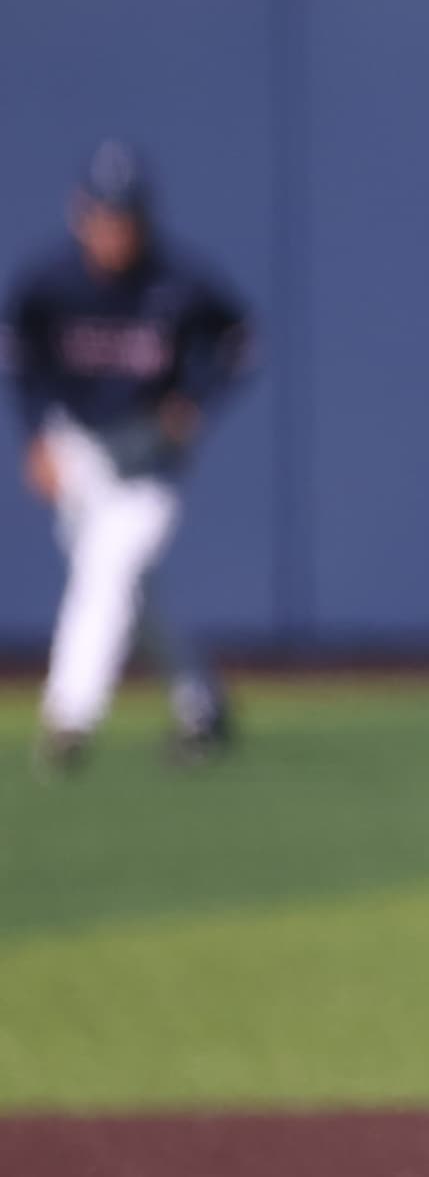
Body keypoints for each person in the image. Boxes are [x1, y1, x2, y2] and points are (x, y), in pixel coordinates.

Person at [8, 143, 253, 775]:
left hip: (151, 456)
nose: (115, 230)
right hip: (80, 446)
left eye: (127, 216)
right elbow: (19, 355)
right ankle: (202, 706)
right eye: (105, 215)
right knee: (131, 593)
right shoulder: (52, 281)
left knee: (106, 572)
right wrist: (36, 435)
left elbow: (240, 339)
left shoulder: (177, 279)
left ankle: (69, 719)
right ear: (80, 212)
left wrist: (194, 401)